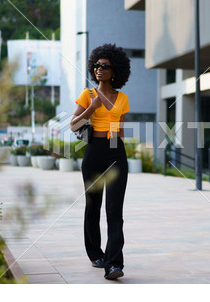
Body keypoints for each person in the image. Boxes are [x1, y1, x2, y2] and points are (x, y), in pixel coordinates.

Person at [70, 43, 131, 280]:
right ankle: (96, 254)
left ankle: (114, 264)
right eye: (96, 65)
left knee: (114, 209)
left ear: (114, 70)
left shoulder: (123, 98)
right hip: (93, 151)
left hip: (115, 151)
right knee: (93, 205)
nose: (99, 69)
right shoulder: (88, 95)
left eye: (104, 66)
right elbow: (73, 124)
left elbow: (119, 129)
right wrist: (91, 109)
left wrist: (120, 152)